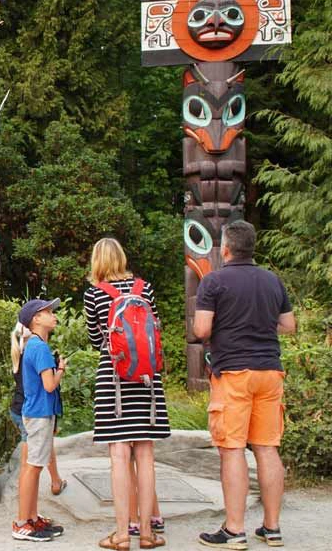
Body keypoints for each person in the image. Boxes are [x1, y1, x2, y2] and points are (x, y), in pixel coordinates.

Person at [194, 221, 296, 550]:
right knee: (267, 448)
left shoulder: (214, 281)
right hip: (270, 371)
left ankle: (234, 529)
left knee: (233, 449)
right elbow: (289, 325)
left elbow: (201, 330)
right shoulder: (271, 280)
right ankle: (272, 527)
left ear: (225, 248)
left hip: (234, 372)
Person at [84, 237, 170, 550]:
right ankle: (146, 533)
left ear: (97, 261)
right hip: (147, 379)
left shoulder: (94, 293)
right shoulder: (143, 288)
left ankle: (122, 534)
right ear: (122, 257)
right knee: (145, 454)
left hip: (114, 379)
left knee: (119, 455)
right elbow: (155, 328)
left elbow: (96, 340)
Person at [12, 298, 66, 542]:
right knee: (32, 468)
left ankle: (32, 518)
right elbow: (49, 385)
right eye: (48, 312)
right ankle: (23, 523)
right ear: (35, 319)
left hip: (34, 412)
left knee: (31, 466)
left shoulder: (31, 344)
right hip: (39, 414)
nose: (53, 315)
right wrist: (61, 370)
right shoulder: (41, 348)